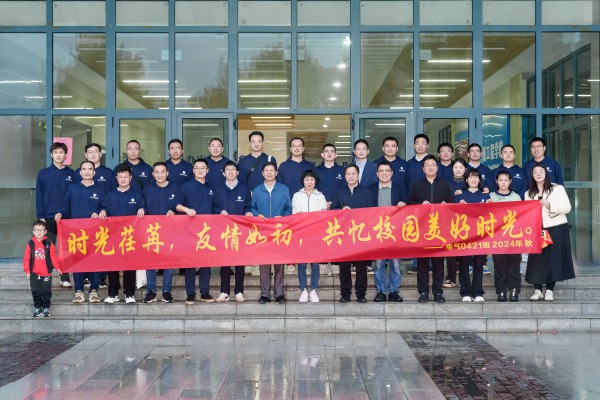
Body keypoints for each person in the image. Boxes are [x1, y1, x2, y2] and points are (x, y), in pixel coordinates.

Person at [55, 161, 104, 303]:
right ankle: (79, 291)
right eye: (84, 169)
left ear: (94, 172)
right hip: (76, 232)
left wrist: (100, 211)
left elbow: (105, 206)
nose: (87, 172)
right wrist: (60, 213)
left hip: (94, 233)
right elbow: (66, 206)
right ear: (80, 172)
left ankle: (94, 290)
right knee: (77, 261)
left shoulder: (100, 189)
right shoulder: (73, 188)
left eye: (90, 169)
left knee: (94, 261)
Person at [407, 155, 454, 303]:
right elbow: (409, 204)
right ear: (423, 168)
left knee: (439, 263)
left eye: (433, 164)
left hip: (440, 230)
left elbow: (452, 204)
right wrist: (420, 204)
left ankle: (438, 292)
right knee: (422, 263)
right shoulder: (416, 185)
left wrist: (447, 205)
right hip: (422, 230)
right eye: (427, 165)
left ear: (437, 167)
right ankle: (423, 292)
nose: (430, 167)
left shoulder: (445, 185)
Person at [525, 162, 574, 301]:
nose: (538, 174)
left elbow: (567, 208)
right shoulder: (528, 193)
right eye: (535, 172)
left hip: (556, 227)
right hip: (537, 229)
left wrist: (549, 205)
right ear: (532, 175)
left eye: (541, 171)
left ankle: (549, 290)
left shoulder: (557, 188)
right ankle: (537, 289)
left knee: (553, 259)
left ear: (546, 173)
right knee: (536, 259)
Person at [175, 159, 220, 305]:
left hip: (206, 231)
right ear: (193, 170)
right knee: (190, 263)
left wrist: (222, 212)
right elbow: (176, 204)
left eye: (203, 168)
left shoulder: (210, 187)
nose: (200, 170)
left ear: (207, 170)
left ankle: (204, 292)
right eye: (197, 168)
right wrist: (186, 209)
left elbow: (214, 206)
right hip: (190, 231)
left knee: (206, 263)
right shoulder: (186, 186)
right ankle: (190, 293)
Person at [99, 165, 146, 304]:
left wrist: (142, 209)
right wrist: (103, 211)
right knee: (112, 264)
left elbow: (143, 207)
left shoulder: (137, 194)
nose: (123, 179)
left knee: (129, 265)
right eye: (120, 177)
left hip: (130, 236)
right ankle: (113, 293)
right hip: (113, 235)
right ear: (116, 178)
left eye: (126, 177)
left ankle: (129, 293)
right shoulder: (110, 195)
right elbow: (104, 208)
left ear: (130, 178)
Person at [332, 164, 375, 303]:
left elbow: (372, 213)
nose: (351, 176)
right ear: (345, 176)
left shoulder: (367, 192)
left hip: (361, 235)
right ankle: (345, 294)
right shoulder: (339, 192)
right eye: (348, 174)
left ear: (358, 175)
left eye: (353, 174)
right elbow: (332, 211)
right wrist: (341, 210)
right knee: (344, 267)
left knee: (361, 267)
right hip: (344, 235)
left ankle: (361, 294)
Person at [251, 162, 292, 304]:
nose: (269, 173)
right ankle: (265, 294)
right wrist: (257, 215)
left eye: (271, 170)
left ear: (276, 173)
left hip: (279, 231)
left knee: (279, 263)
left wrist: (283, 217)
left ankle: (279, 293)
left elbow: (289, 208)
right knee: (264, 263)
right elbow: (252, 208)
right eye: (266, 170)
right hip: (263, 231)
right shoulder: (257, 190)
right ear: (262, 173)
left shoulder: (283, 189)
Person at [36, 141, 75, 288]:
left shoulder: (71, 174)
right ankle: (45, 275)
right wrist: (41, 216)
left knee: (66, 249)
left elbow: (73, 197)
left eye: (61, 152)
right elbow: (39, 195)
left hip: (67, 219)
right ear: (51, 155)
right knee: (48, 248)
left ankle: (65, 277)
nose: (59, 155)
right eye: (56, 152)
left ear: (66, 155)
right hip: (48, 217)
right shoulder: (43, 173)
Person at [75, 143, 114, 288]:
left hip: (101, 218)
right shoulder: (77, 173)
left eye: (96, 151)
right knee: (84, 247)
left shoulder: (109, 173)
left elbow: (111, 194)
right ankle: (85, 277)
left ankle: (101, 277)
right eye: (89, 152)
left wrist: (104, 211)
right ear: (85, 154)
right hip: (82, 220)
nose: (93, 154)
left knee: (100, 247)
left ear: (100, 154)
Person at [213, 160, 253, 303]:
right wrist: (219, 211)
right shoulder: (218, 189)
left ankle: (239, 291)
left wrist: (248, 212)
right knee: (224, 262)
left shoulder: (244, 188)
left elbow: (248, 206)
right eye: (227, 170)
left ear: (237, 172)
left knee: (239, 262)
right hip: (223, 230)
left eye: (233, 170)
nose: (230, 172)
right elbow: (214, 206)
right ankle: (224, 291)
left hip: (239, 230)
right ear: (223, 173)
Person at [369, 161, 407, 303]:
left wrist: (404, 205)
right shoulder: (371, 189)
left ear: (392, 173)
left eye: (387, 170)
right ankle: (380, 291)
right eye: (381, 171)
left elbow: (408, 207)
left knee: (395, 265)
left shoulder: (399, 187)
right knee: (379, 265)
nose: (384, 173)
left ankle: (394, 291)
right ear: (377, 174)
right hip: (378, 232)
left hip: (395, 232)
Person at [142, 162, 179, 303]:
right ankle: (151, 291)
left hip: (170, 230)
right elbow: (142, 206)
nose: (160, 175)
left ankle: (166, 291)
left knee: (169, 260)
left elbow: (180, 205)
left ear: (167, 173)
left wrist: (174, 211)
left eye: (163, 172)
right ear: (153, 174)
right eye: (157, 172)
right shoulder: (147, 189)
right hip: (151, 230)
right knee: (150, 261)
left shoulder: (175, 188)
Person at [455, 169, 490, 302]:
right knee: (464, 264)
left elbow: (491, 214)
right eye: (470, 177)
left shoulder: (485, 195)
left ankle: (478, 292)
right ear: (466, 180)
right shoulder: (460, 195)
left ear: (479, 180)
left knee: (479, 264)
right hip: (464, 235)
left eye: (476, 177)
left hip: (481, 235)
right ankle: (465, 292)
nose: (473, 179)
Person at [292, 170, 327, 303]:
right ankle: (303, 290)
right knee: (301, 264)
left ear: (315, 181)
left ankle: (313, 290)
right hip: (301, 234)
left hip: (315, 235)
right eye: (307, 179)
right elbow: (293, 214)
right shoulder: (296, 196)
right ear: (303, 181)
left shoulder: (320, 196)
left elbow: (324, 215)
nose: (309, 182)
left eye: (312, 179)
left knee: (315, 264)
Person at [489, 171, 522, 302]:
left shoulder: (516, 197)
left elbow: (522, 215)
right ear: (496, 181)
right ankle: (501, 290)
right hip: (497, 237)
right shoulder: (491, 196)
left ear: (510, 182)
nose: (503, 183)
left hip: (514, 237)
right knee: (499, 265)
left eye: (506, 180)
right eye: (500, 180)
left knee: (514, 265)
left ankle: (514, 290)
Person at [23, 220, 62, 318]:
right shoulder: (31, 244)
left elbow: (53, 257)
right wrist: (27, 271)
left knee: (46, 292)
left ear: (45, 231)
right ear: (33, 231)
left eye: (41, 230)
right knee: (35, 291)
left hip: (46, 273)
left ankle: (45, 308)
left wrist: (57, 268)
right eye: (37, 230)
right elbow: (26, 258)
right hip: (34, 273)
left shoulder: (49, 243)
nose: (39, 232)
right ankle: (37, 308)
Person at [443, 158, 468, 288]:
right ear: (452, 169)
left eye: (461, 167)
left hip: (467, 221)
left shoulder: (470, 181)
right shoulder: (446, 184)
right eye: (455, 167)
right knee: (451, 249)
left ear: (465, 169)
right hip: (451, 220)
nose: (458, 170)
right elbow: (444, 200)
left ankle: (464, 278)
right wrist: (453, 195)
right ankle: (451, 277)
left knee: (464, 250)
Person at [315, 143, 345, 209]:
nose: (329, 153)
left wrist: (333, 202)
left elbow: (344, 189)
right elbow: (314, 188)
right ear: (322, 155)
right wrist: (323, 201)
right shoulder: (315, 171)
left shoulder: (342, 170)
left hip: (338, 207)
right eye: (326, 151)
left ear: (335, 155)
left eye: (332, 151)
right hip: (319, 206)